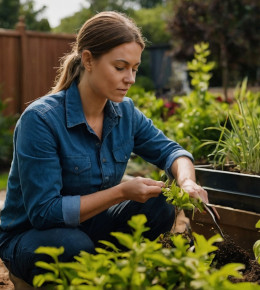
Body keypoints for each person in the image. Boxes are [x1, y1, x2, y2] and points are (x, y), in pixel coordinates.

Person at [0, 11, 209, 286]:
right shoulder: (40, 120)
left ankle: (110, 275)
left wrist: (187, 182)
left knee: (159, 203)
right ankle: (32, 277)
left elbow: (171, 152)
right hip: (33, 236)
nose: (131, 78)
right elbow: (44, 213)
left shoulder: (125, 113)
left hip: (90, 227)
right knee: (72, 244)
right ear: (88, 60)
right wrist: (122, 191)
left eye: (135, 68)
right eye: (120, 67)